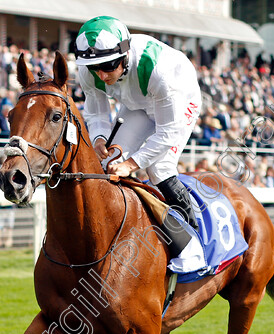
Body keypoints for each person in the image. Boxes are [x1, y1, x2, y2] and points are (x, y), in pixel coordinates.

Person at [75, 16, 201, 231]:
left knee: (159, 168)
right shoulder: (88, 71)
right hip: (137, 105)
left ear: (125, 54)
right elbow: (96, 114)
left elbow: (168, 133)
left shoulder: (159, 71)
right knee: (108, 163)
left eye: (108, 65)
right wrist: (99, 138)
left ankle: (193, 238)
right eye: (95, 67)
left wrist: (130, 164)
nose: (102, 74)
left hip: (179, 100)